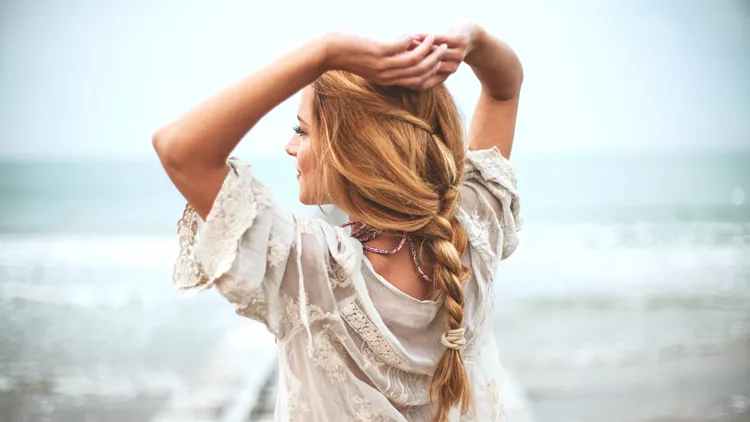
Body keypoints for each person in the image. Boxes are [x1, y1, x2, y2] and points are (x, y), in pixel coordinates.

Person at [153, 22, 523, 422]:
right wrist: (474, 41)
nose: (290, 145)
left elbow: (180, 150)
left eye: (302, 130)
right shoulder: (474, 225)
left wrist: (324, 53)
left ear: (351, 150)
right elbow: (504, 89)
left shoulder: (311, 269)